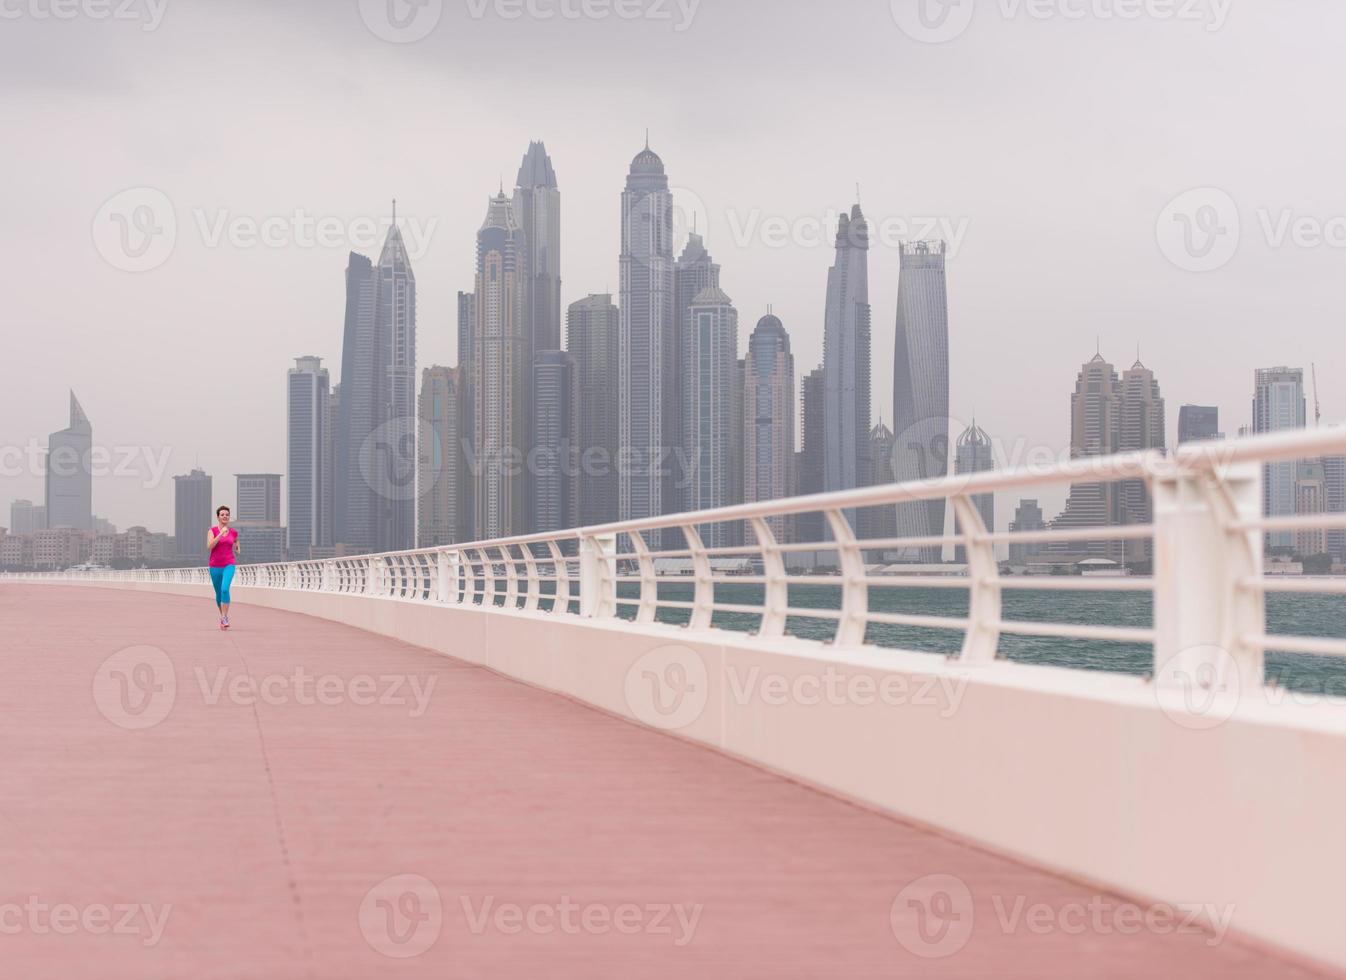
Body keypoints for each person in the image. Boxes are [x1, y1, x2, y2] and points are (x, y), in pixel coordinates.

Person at [207, 505, 241, 630]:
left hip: (229, 564)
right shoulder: (212, 531)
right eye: (222, 514)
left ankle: (224, 617)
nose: (225, 516)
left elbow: (236, 540)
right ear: (218, 517)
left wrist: (237, 547)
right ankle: (222, 616)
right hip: (215, 566)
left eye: (227, 514)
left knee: (225, 589)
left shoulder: (233, 532)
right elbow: (210, 546)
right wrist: (220, 534)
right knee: (218, 594)